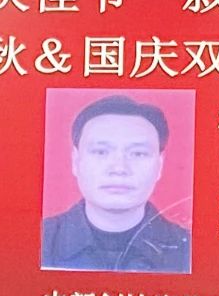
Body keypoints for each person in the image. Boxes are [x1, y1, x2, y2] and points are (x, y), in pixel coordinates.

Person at [40, 95, 191, 273]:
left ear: (160, 165)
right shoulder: (38, 240)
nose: (119, 168)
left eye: (138, 154)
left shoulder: (188, 250)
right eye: (101, 152)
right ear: (76, 161)